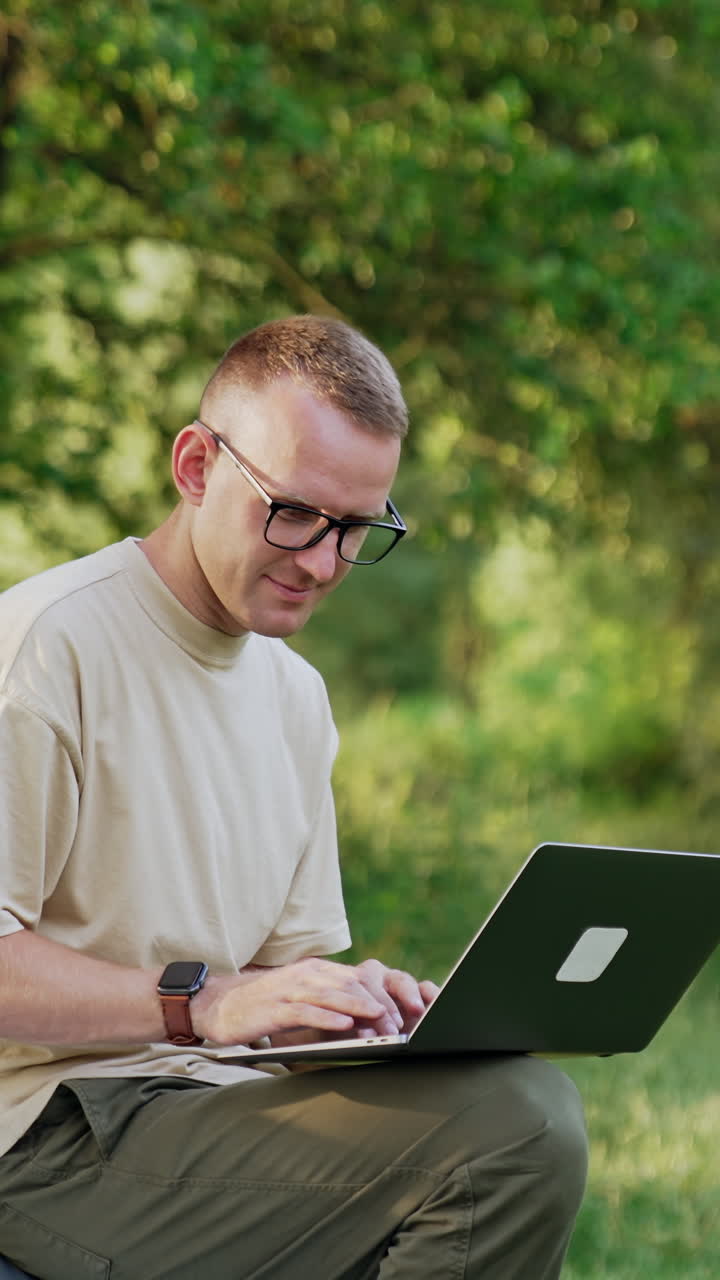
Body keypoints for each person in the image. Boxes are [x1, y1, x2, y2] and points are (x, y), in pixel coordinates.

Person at [0, 315, 587, 1279]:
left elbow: (279, 980)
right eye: (295, 513)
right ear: (196, 467)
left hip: (205, 1110)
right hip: (49, 1137)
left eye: (357, 529)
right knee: (521, 1131)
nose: (320, 561)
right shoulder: (46, 645)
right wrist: (205, 1006)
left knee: (507, 1098)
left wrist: (357, 1009)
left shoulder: (294, 697)